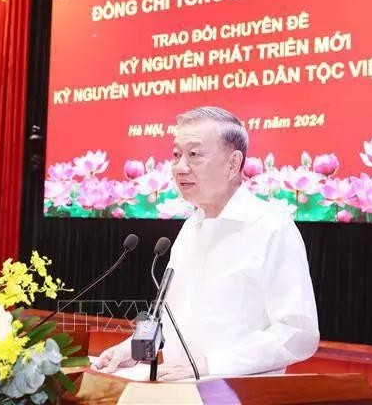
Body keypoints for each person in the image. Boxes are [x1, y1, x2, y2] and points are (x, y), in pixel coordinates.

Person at [93, 106, 319, 380]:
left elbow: (297, 333)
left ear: (233, 164)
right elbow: (172, 319)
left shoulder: (271, 227)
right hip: (181, 391)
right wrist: (133, 348)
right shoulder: (191, 227)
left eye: (194, 155)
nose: (180, 167)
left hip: (238, 394)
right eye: (176, 155)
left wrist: (209, 365)